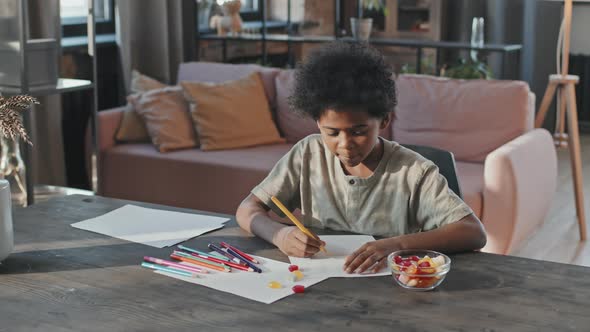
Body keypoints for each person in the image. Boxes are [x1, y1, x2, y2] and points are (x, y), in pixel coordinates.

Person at [235, 41, 486, 274]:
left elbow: (473, 232)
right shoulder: (307, 155)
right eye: (332, 132)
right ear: (317, 123)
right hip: (317, 281)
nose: (345, 145)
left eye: (358, 131)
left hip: (388, 286)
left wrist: (398, 244)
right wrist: (279, 235)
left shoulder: (413, 171)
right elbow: (248, 209)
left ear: (384, 120)